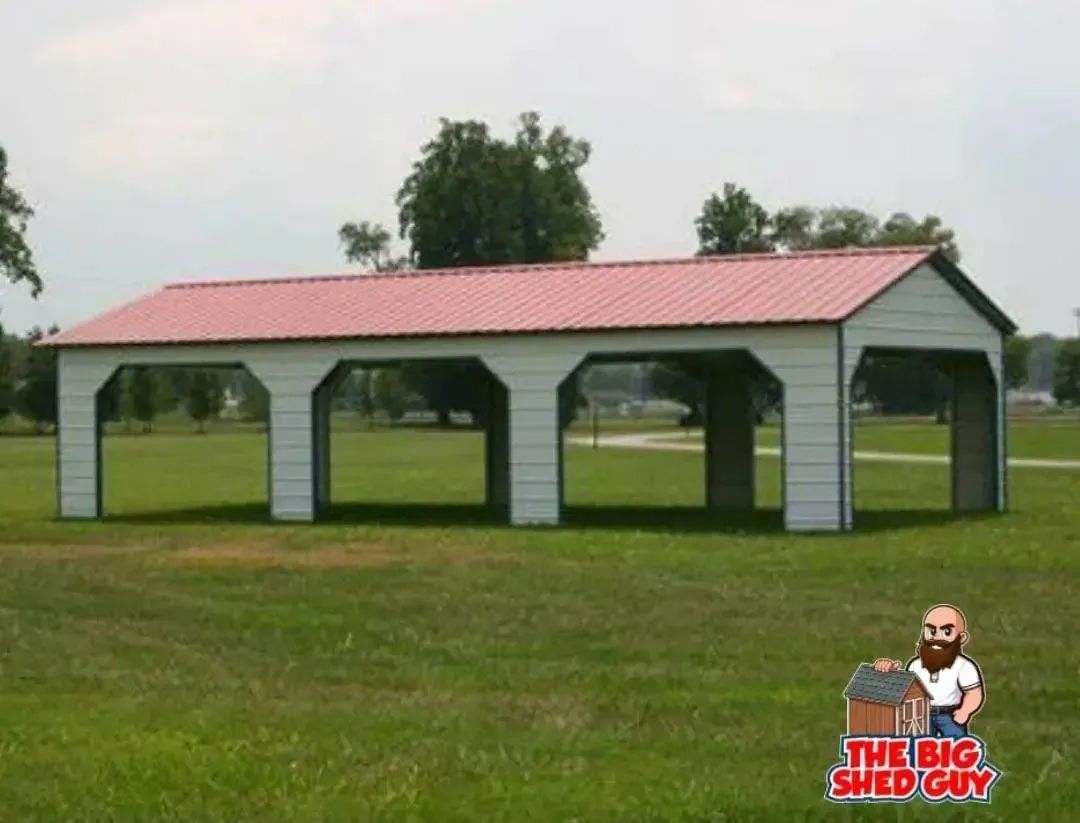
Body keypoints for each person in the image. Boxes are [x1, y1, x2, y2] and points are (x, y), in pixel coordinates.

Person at [873, 603, 985, 738]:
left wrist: (965, 711)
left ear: (962, 638)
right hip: (920, 715)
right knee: (918, 750)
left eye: (946, 632)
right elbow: (907, 689)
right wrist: (888, 671)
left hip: (950, 717)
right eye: (932, 631)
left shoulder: (964, 666)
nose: (937, 638)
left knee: (956, 749)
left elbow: (973, 693)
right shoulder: (915, 665)